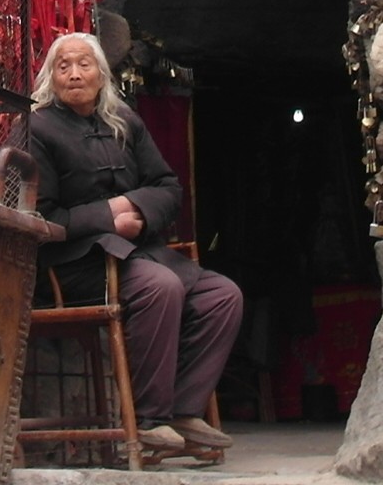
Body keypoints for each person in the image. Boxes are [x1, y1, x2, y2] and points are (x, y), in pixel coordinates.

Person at [23, 33, 241, 455]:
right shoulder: (38, 128)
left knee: (222, 295)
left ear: (101, 74)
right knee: (160, 286)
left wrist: (132, 207)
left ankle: (184, 409)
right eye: (63, 66)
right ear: (50, 76)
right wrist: (108, 217)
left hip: (136, 253)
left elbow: (168, 186)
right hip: (75, 264)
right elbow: (43, 217)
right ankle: (148, 419)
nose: (74, 74)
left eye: (84, 64)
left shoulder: (124, 121)